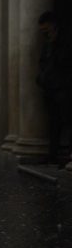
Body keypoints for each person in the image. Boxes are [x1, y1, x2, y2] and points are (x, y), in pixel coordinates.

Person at [36, 11, 72, 168]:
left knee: (67, 121)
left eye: (46, 29)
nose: (44, 33)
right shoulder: (47, 43)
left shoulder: (64, 41)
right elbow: (43, 62)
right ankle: (53, 155)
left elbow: (64, 62)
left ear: (53, 25)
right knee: (53, 123)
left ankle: (67, 155)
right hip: (50, 88)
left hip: (63, 88)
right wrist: (41, 78)